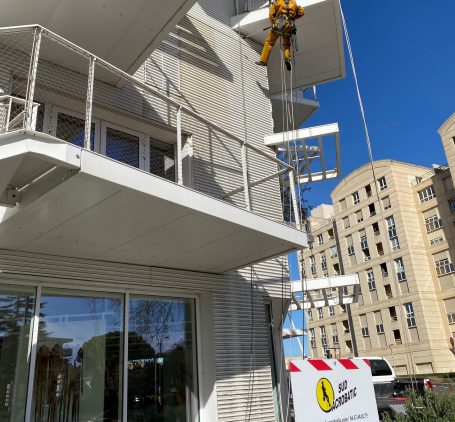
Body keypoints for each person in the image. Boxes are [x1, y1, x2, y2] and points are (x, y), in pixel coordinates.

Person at [255, 0, 304, 71]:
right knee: (286, 44)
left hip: (279, 24)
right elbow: (301, 12)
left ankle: (263, 61)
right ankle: (287, 58)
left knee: (269, 42)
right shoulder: (293, 3)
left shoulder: (277, 2)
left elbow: (271, 15)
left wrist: (274, 23)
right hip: (289, 26)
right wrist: (292, 17)